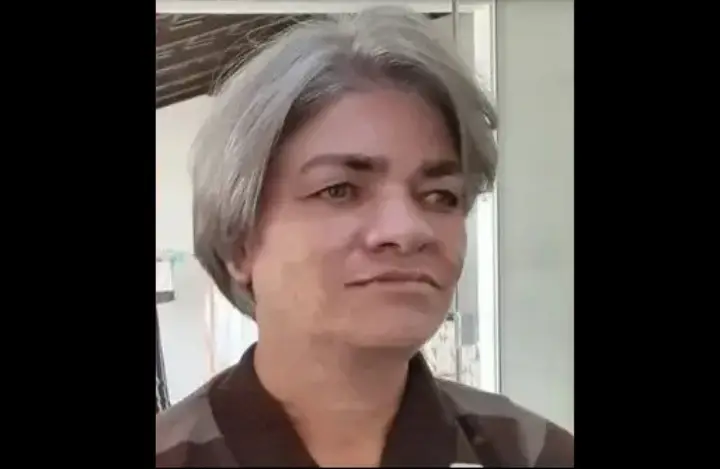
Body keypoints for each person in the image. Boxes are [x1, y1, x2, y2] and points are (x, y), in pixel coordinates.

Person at [156, 6, 574, 467]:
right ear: (240, 244)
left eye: (440, 196)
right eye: (339, 190)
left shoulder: (535, 454)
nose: (407, 230)